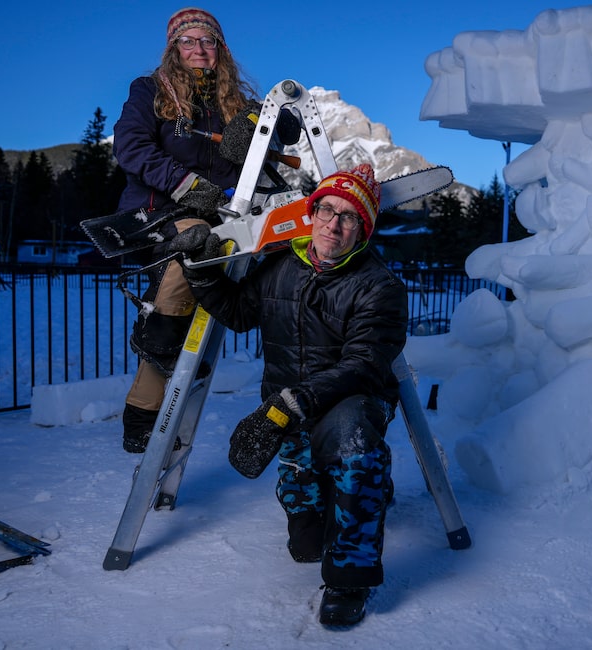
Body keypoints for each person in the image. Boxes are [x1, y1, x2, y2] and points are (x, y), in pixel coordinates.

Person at [171, 163, 408, 627]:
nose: (333, 225)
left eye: (349, 217)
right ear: (312, 211)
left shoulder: (380, 286)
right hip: (289, 405)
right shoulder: (282, 266)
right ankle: (339, 491)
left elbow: (361, 366)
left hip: (351, 401)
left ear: (363, 230)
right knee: (305, 545)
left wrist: (285, 407)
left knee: (355, 449)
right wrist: (200, 273)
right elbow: (239, 313)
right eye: (326, 210)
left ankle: (349, 580)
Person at [113, 7, 292, 453]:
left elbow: (274, 138)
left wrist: (267, 126)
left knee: (260, 252)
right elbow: (130, 147)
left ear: (221, 50)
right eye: (188, 41)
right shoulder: (150, 90)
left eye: (208, 41)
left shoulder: (230, 104)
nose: (199, 49)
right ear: (174, 48)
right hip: (155, 213)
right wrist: (187, 185)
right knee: (192, 247)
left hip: (217, 220)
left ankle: (292, 380)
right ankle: (145, 400)